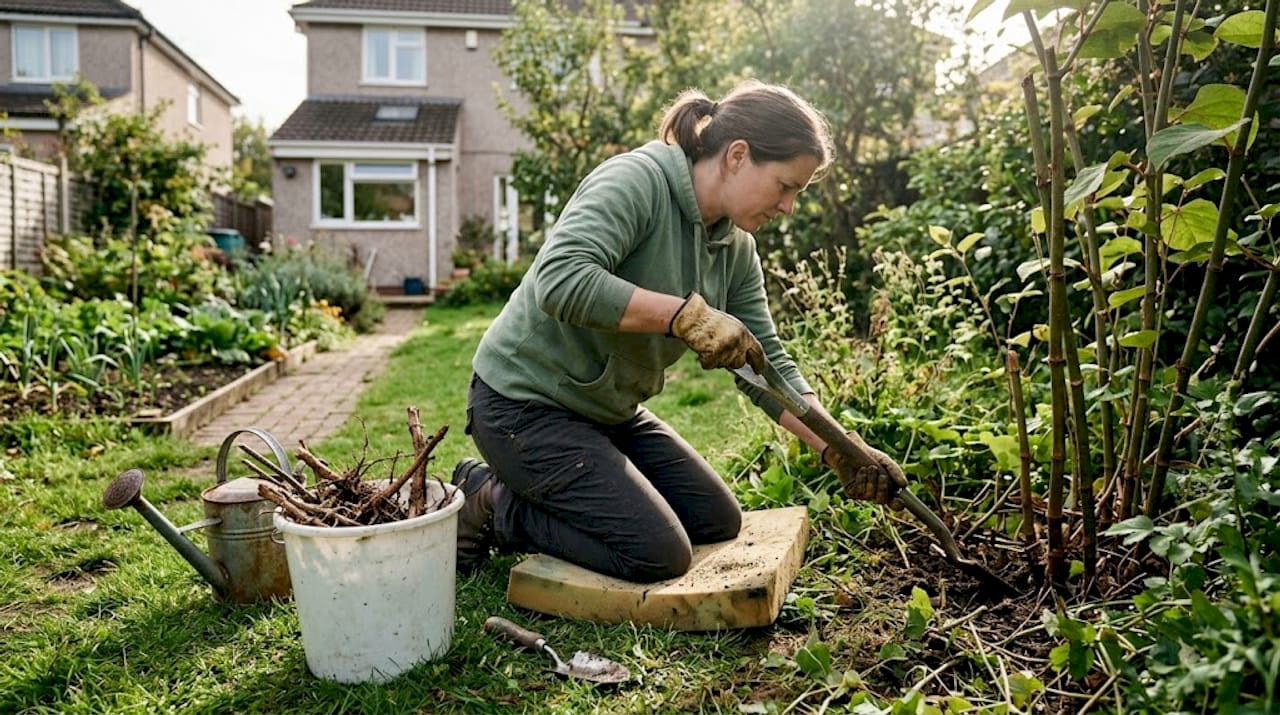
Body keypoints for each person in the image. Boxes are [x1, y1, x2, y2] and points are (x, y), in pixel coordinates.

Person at [452, 79, 904, 582]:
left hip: (607, 413)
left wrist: (837, 447)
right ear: (737, 155)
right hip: (522, 405)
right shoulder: (636, 181)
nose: (788, 207)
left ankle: (558, 491)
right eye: (785, 186)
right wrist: (684, 316)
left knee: (715, 520)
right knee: (656, 552)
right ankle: (491, 500)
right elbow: (560, 280)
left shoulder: (735, 248)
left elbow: (765, 363)